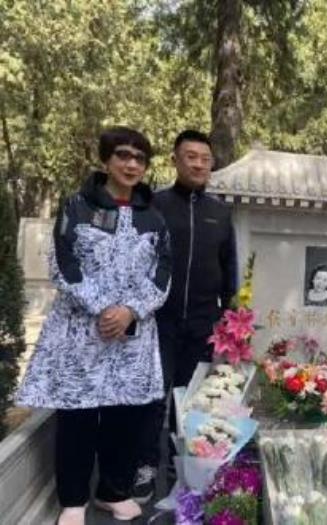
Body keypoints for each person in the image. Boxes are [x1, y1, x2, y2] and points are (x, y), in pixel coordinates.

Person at [15, 127, 171, 525]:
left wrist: (130, 310)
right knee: (78, 417)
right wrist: (103, 308)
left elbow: (162, 273)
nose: (132, 164)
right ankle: (73, 499)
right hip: (82, 332)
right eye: (123, 155)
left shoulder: (153, 218)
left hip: (132, 336)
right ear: (106, 159)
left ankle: (113, 492)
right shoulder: (77, 206)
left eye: (140, 158)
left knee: (126, 417)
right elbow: (64, 264)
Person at [134, 129, 238, 501]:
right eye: (190, 157)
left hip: (202, 324)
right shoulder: (155, 204)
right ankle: (145, 467)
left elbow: (229, 268)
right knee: (153, 397)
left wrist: (231, 317)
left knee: (191, 400)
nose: (198, 164)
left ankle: (181, 467)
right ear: (175, 160)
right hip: (158, 322)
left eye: (205, 159)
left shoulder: (220, 212)